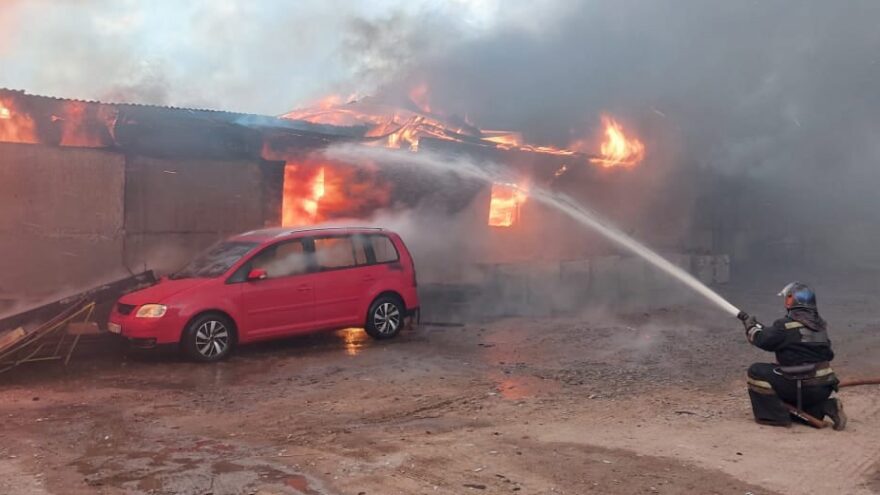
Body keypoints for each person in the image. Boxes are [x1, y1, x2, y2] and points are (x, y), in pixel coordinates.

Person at [742, 282, 846, 430]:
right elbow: (826, 353)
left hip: (801, 386)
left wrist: (750, 327)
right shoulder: (820, 326)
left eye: (788, 297)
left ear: (792, 300)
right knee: (793, 379)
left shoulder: (784, 325)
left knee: (756, 371)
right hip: (823, 387)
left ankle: (776, 417)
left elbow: (764, 340)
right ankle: (826, 406)